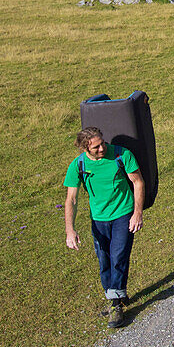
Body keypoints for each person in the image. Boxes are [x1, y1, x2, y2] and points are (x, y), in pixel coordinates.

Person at [63, 126, 145, 328]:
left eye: (103, 143)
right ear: (85, 148)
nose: (102, 148)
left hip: (123, 214)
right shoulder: (78, 165)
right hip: (98, 219)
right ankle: (115, 294)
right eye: (97, 147)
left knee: (118, 256)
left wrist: (137, 213)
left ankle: (116, 304)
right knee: (104, 260)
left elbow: (138, 182)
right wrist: (70, 230)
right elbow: (71, 199)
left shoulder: (121, 154)